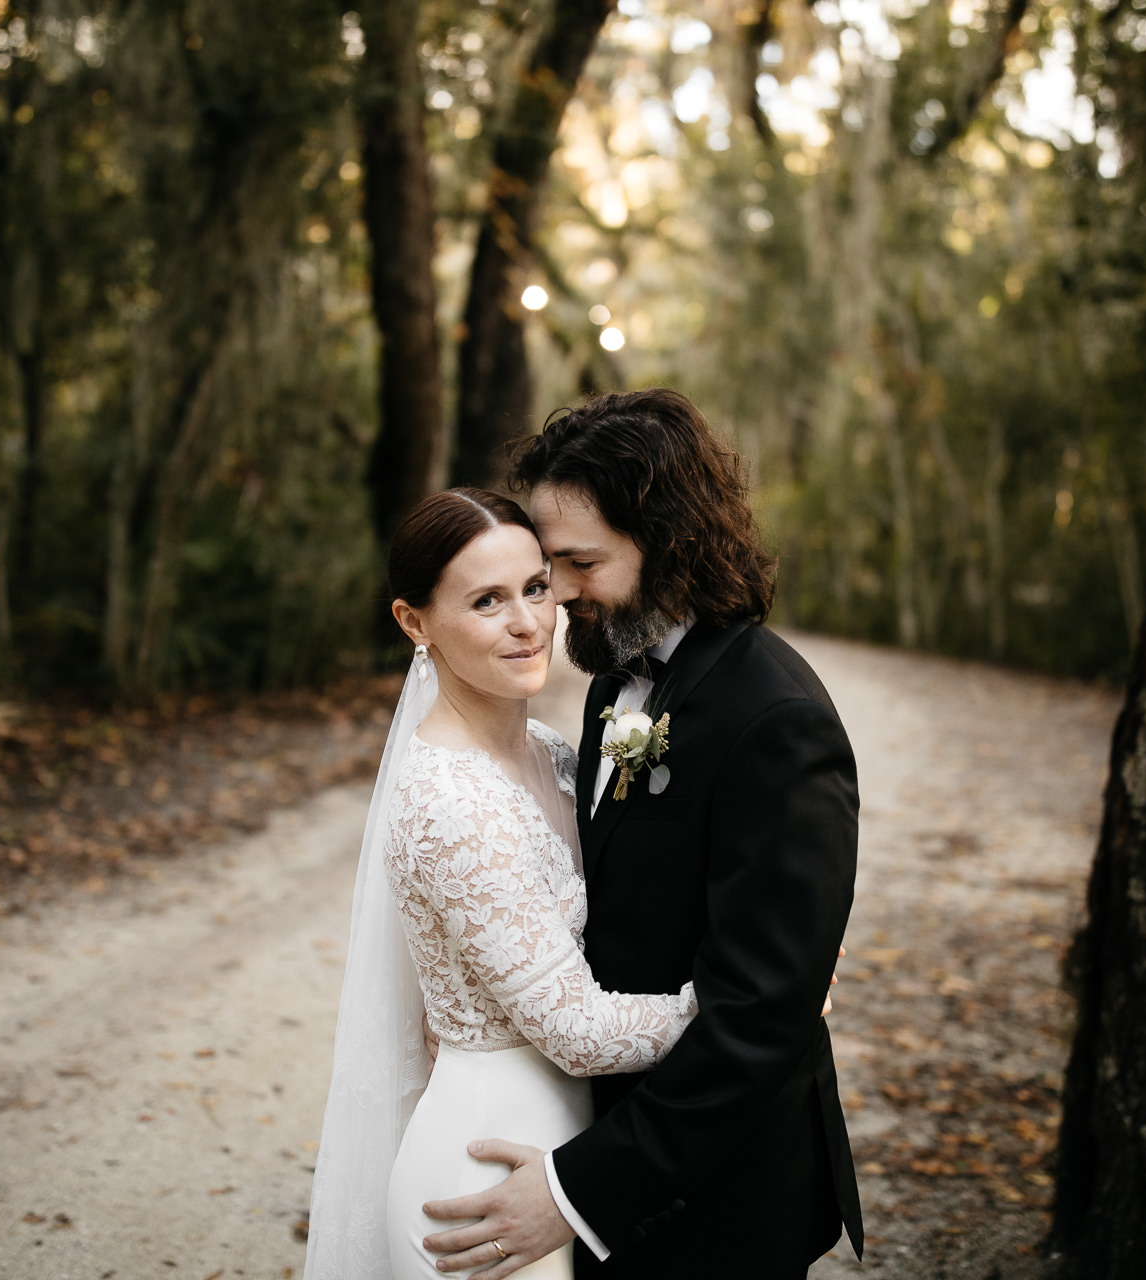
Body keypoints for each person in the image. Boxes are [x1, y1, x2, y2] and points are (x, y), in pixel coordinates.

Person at [417, 388, 864, 1278]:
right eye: (553, 564)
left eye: (581, 563)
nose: (560, 595)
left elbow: (757, 1022)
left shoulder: (775, 721)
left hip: (717, 1191)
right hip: (613, 1138)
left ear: (671, 540)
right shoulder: (613, 676)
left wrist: (580, 1192)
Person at [303, 487, 702, 1280]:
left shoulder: (555, 754)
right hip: (483, 1177)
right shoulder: (452, 802)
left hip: (559, 1158)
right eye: (487, 601)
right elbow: (577, 1031)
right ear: (414, 623)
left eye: (536, 587)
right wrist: (744, 997)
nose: (528, 624)